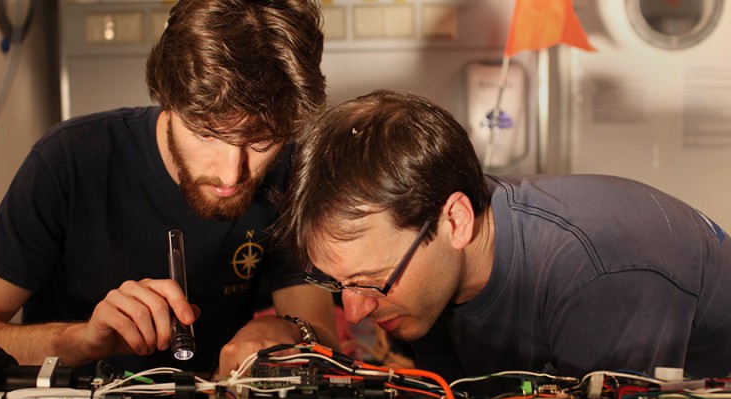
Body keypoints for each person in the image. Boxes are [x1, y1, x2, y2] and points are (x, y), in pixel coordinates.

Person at [0, 0, 337, 378]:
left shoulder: (290, 172)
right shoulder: (70, 159)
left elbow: (321, 336)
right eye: (207, 135)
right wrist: (81, 341)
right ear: (167, 99)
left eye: (261, 141)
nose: (231, 174)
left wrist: (284, 329)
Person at [274, 89, 731, 383]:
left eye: (370, 281)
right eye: (337, 285)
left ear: (456, 220)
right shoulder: (429, 281)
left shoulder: (600, 269)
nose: (353, 312)